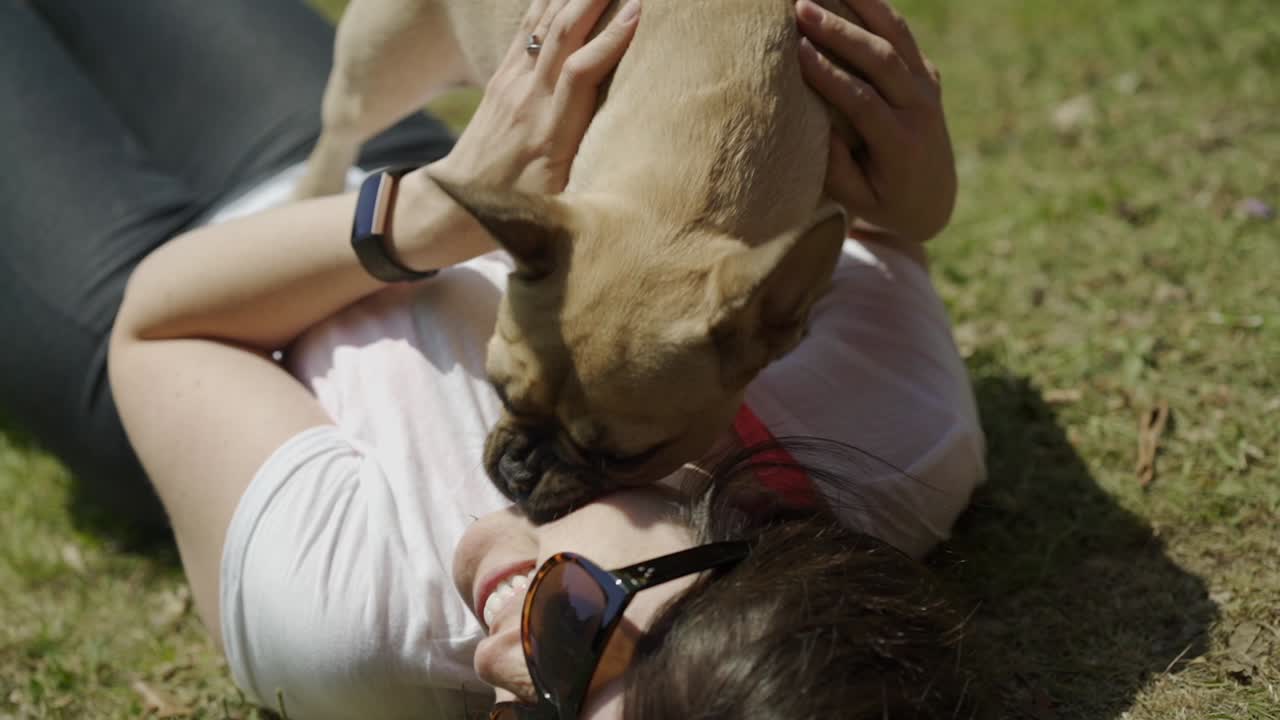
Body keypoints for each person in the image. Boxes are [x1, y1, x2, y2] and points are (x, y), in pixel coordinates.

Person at [3, 0, 984, 718]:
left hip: (201, 319)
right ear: (741, 566)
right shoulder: (895, 443)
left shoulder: (363, 630)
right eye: (571, 637)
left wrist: (421, 215)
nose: (498, 676)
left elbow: (160, 325)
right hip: (390, 159)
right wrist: (920, 191)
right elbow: (870, 228)